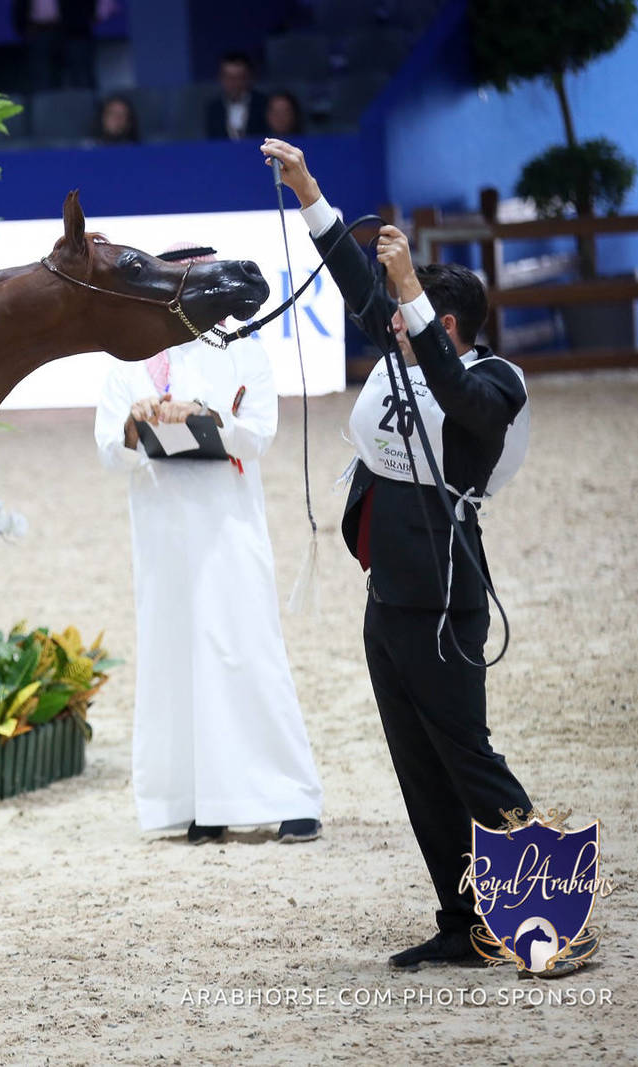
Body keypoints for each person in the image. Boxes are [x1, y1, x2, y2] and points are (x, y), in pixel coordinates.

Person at [260, 137, 536, 971]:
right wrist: (310, 192)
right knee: (419, 766)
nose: (388, 317)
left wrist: (412, 293)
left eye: (409, 309)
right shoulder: (403, 346)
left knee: (468, 758)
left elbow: (458, 400)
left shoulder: (495, 381)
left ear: (441, 323)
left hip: (446, 589)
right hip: (389, 590)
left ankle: (546, 910)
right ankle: (464, 919)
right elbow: (351, 279)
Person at [93, 244, 323, 846]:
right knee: (176, 660)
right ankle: (201, 803)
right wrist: (136, 420)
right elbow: (108, 449)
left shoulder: (244, 353)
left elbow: (261, 436)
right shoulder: (129, 362)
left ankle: (290, 795)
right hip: (162, 530)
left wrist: (205, 414)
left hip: (226, 523)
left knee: (246, 647)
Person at [13, 0, 99, 91]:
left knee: (81, 77)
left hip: (75, 30)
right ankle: (44, 104)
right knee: (41, 79)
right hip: (39, 31)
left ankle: (85, 103)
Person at [204, 52, 269, 141]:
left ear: (249, 78)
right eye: (229, 77)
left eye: (239, 77)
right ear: (220, 78)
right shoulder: (213, 108)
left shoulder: (264, 104)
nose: (233, 83)